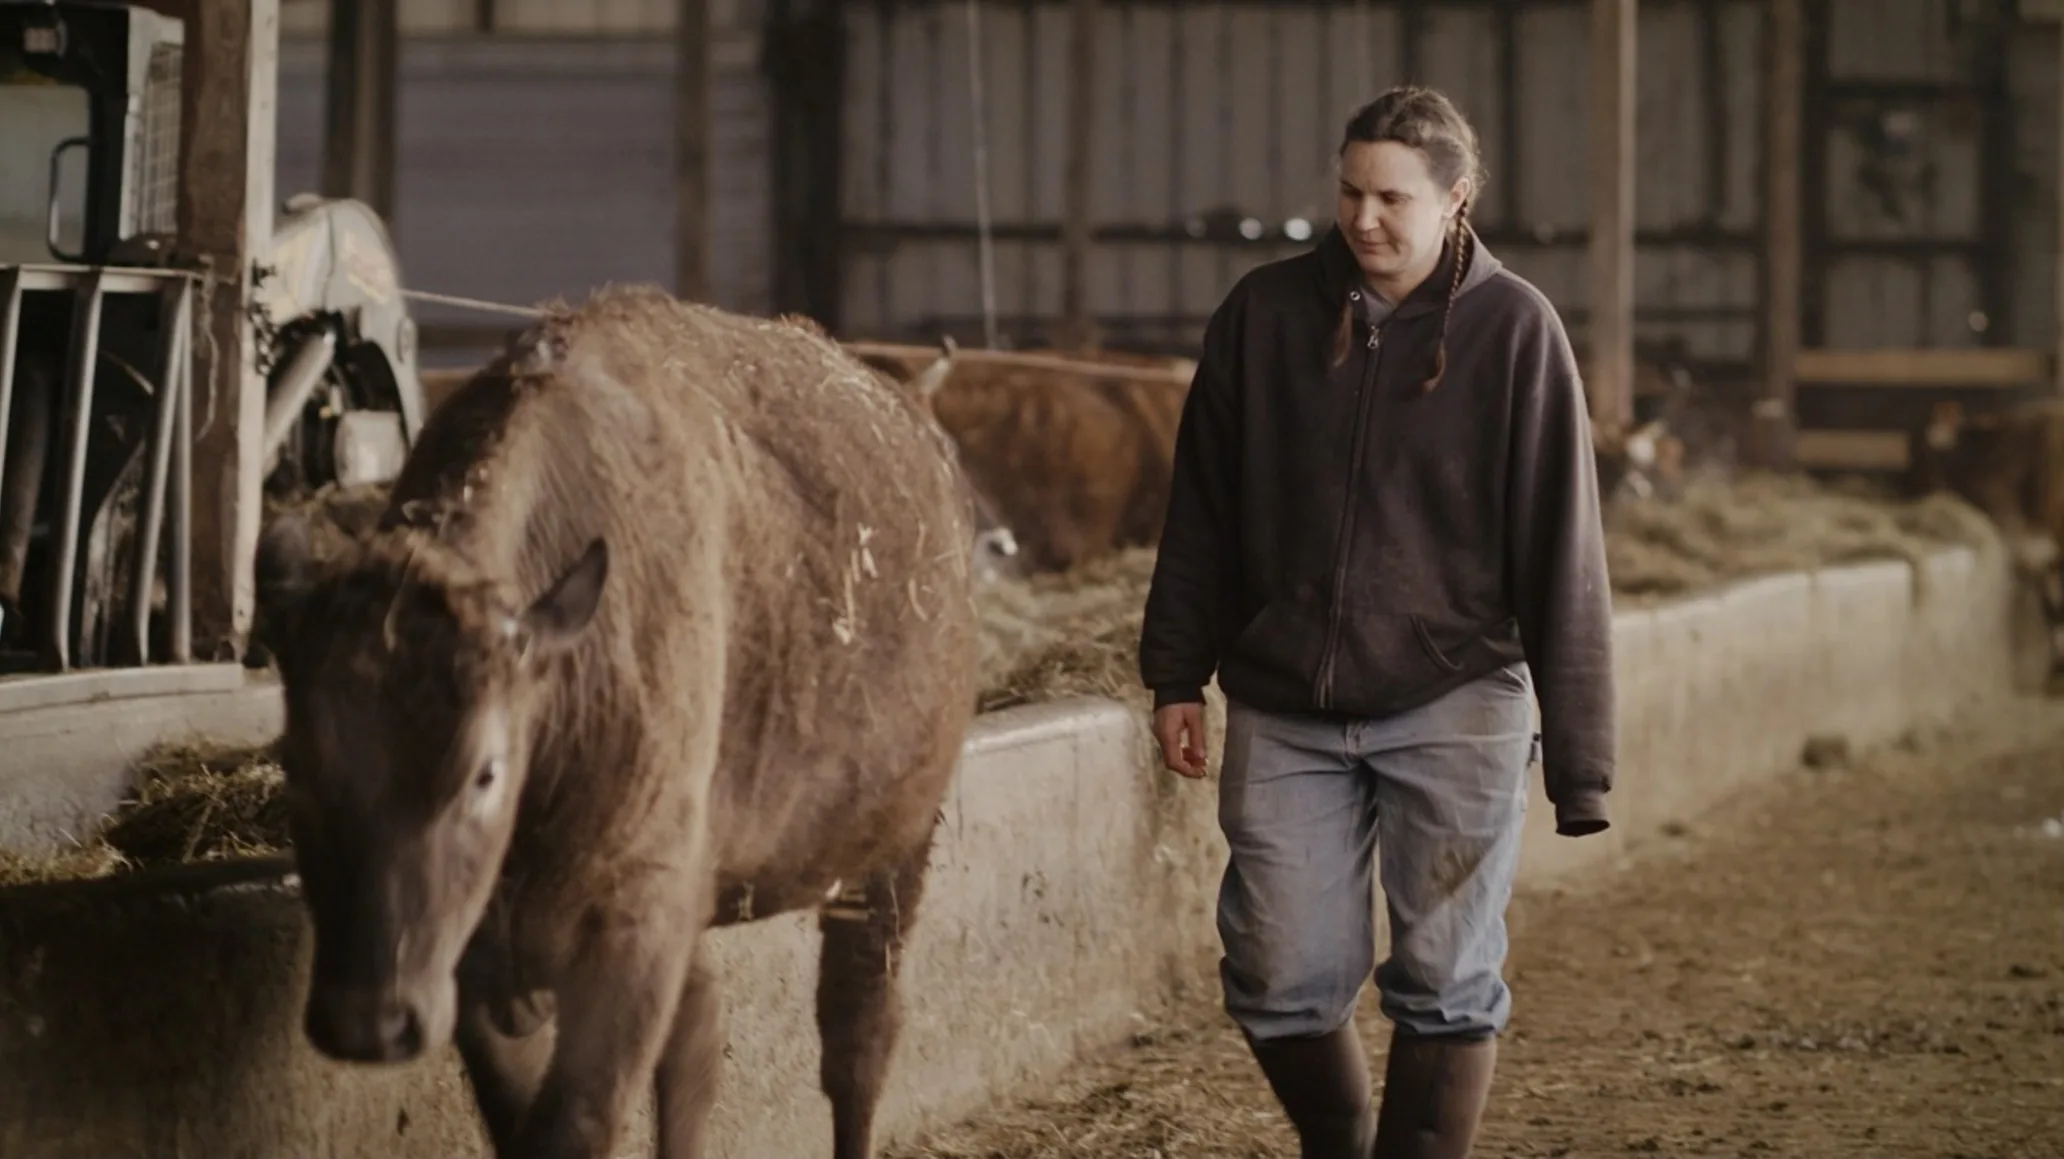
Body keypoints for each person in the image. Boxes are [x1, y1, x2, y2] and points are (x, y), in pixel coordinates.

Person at [1138, 85, 1616, 1159]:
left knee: (1447, 975)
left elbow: (1563, 552)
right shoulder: (1262, 316)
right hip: (1285, 697)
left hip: (1456, 695)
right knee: (1277, 970)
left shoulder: (1514, 332)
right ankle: (1341, 1141)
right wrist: (1175, 672)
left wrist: (1580, 764)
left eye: (1392, 198)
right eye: (1350, 192)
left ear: (1457, 199)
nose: (1363, 219)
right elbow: (1201, 510)